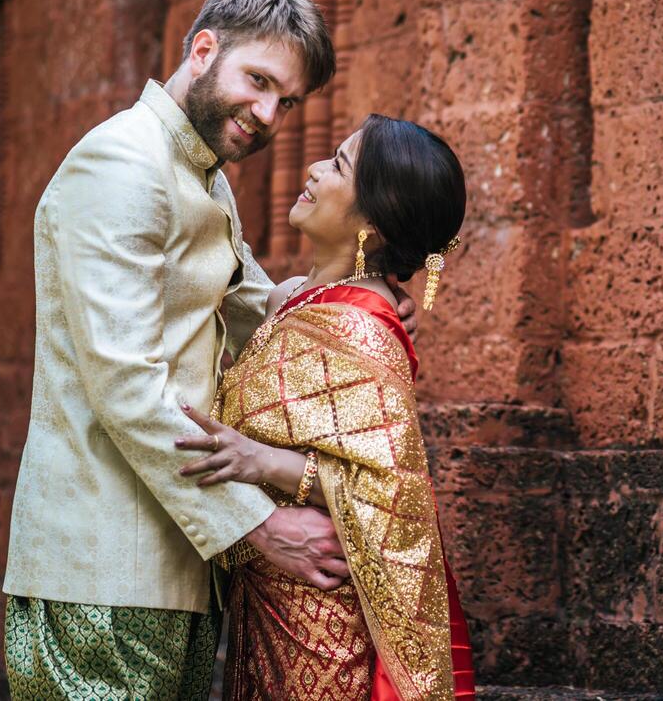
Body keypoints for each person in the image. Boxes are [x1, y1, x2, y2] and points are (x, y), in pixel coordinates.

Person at [2, 0, 416, 698]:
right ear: (202, 50)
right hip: (102, 565)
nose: (267, 114)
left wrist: (356, 297)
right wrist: (259, 526)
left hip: (177, 559)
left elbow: (254, 301)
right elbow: (127, 387)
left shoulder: (202, 174)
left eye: (285, 101)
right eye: (257, 81)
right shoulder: (122, 164)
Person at [171, 115, 476, 700]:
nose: (312, 168)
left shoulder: (361, 331)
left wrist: (261, 461)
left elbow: (389, 493)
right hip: (267, 605)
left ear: (374, 221)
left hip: (325, 625)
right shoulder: (298, 300)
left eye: (338, 165)